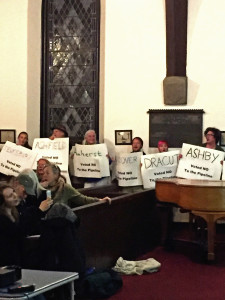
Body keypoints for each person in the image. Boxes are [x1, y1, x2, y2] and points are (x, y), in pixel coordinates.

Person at [41, 163, 111, 207]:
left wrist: (100, 200)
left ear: (55, 175)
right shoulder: (40, 188)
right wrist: (40, 188)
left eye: (47, 173)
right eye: (43, 173)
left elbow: (83, 199)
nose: (44, 176)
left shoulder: (65, 187)